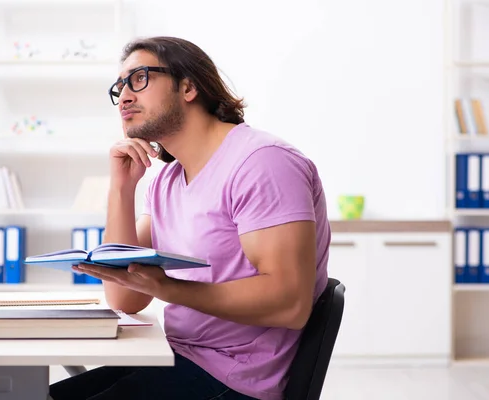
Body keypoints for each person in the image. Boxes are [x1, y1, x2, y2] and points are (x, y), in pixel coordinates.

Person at [49, 36, 331, 400]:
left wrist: (167, 288)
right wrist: (122, 189)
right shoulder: (168, 179)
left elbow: (289, 304)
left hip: (235, 378)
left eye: (139, 79)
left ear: (188, 86)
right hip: (177, 356)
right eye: (119, 87)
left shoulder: (262, 162)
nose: (125, 97)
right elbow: (126, 298)